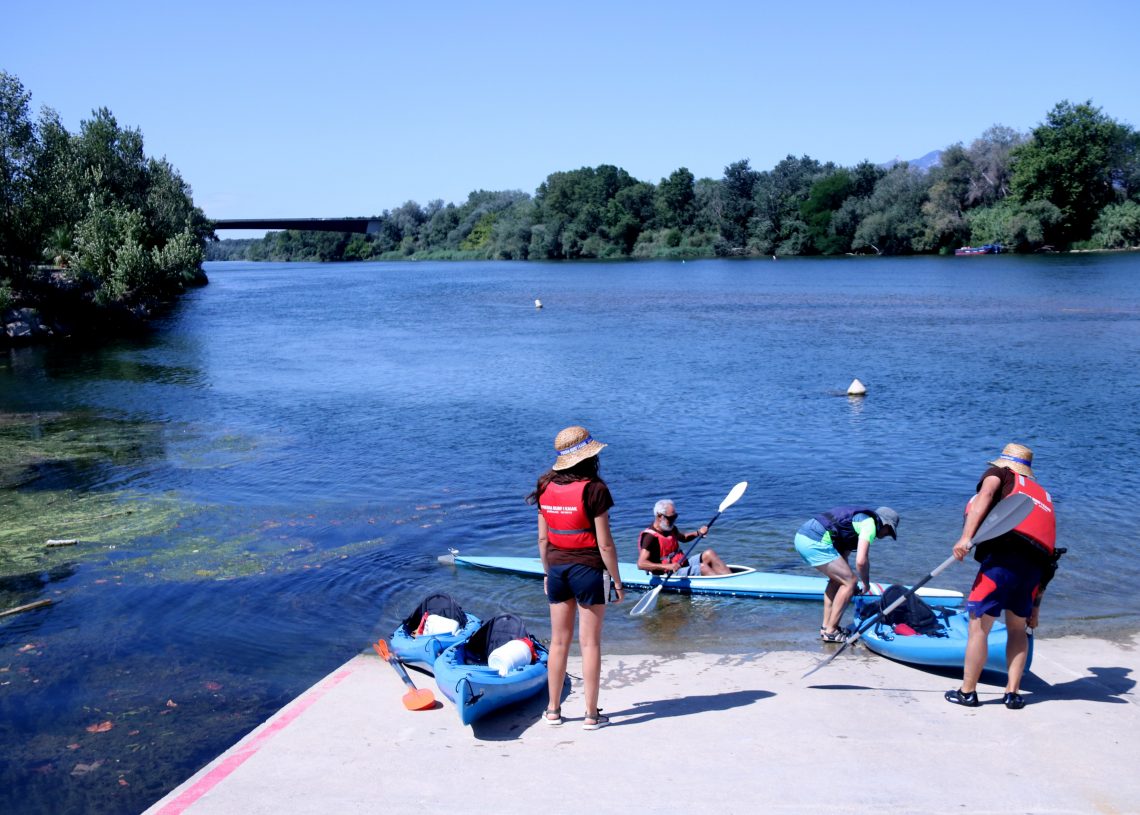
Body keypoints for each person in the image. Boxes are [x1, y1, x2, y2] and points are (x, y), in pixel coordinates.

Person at [945, 443, 1060, 710]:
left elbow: (985, 496)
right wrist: (1036, 608)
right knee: (1018, 630)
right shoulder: (1043, 495)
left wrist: (965, 537)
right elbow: (1049, 555)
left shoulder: (1000, 473)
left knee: (978, 627)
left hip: (1002, 562)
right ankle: (1013, 693)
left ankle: (968, 692)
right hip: (1033, 570)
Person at [526, 425, 624, 731]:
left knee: (558, 642)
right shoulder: (595, 489)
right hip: (589, 570)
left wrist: (546, 573)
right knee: (590, 644)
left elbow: (543, 540)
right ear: (589, 457)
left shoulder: (544, 485)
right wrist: (618, 582)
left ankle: (553, 710)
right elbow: (605, 544)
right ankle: (591, 715)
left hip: (556, 569)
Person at [793, 505, 900, 642]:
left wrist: (847, 582)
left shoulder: (857, 522)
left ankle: (826, 628)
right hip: (814, 540)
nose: (887, 535)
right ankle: (832, 631)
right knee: (850, 581)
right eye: (889, 531)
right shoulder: (869, 525)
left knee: (839, 580)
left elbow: (843, 557)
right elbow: (861, 561)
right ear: (884, 523)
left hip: (802, 537)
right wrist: (865, 584)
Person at [637, 499, 731, 576]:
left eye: (675, 516)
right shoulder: (649, 537)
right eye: (671, 518)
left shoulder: (670, 528)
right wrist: (668, 567)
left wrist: (698, 533)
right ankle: (724, 587)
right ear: (659, 516)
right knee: (703, 567)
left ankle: (730, 580)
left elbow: (684, 538)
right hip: (667, 573)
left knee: (709, 553)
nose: (674, 520)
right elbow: (641, 564)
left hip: (681, 564)